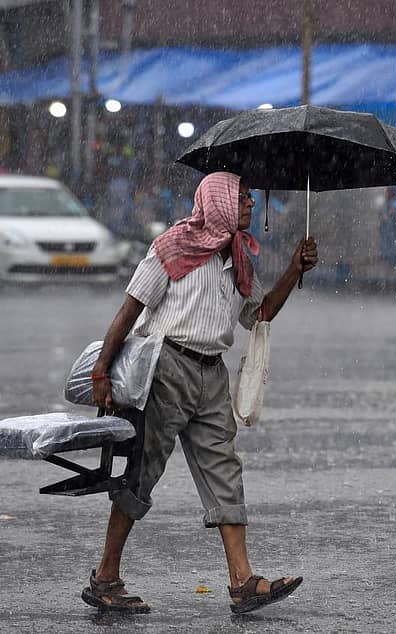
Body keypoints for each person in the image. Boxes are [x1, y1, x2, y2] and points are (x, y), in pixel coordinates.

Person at [85, 171, 318, 614]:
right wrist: (102, 369)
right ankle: (105, 577)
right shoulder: (171, 247)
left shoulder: (240, 259)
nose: (251, 203)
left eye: (250, 196)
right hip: (166, 369)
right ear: (221, 202)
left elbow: (260, 313)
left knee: (224, 470)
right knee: (141, 472)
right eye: (244, 197)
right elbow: (130, 307)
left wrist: (294, 268)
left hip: (212, 374)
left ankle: (242, 581)